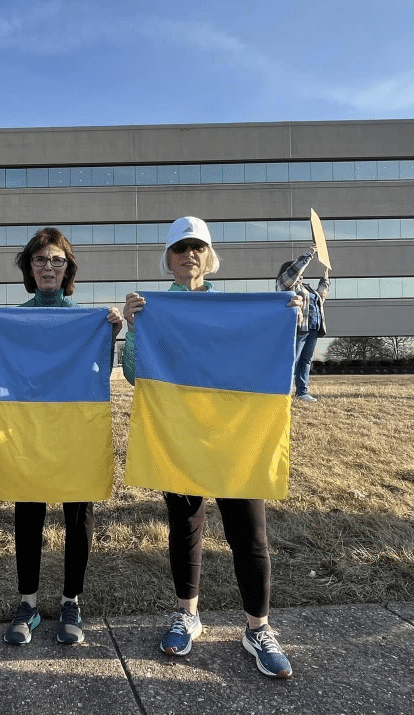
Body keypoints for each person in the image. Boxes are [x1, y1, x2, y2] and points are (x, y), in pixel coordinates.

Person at [122, 216, 299, 679]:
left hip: (235, 437)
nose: (189, 255)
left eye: (197, 247)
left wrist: (288, 318)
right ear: (169, 258)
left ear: (209, 256)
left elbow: (273, 360)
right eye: (180, 248)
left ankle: (258, 628)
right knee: (185, 526)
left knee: (250, 532)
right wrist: (134, 327)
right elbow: (134, 375)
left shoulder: (236, 309)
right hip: (179, 435)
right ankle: (188, 614)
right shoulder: (152, 308)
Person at [0, 227, 123, 647]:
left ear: (68, 268)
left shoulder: (87, 320)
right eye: (40, 259)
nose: (48, 266)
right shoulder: (12, 320)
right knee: (28, 512)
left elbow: (99, 375)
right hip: (30, 431)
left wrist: (111, 330)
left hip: (74, 430)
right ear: (28, 268)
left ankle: (72, 602)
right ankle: (28, 605)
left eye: (56, 260)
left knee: (77, 516)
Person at [276, 247, 330, 402]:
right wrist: (309, 255)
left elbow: (320, 297)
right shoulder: (286, 285)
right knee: (292, 359)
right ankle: (283, 391)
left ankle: (302, 392)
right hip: (298, 328)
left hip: (313, 327)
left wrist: (325, 280)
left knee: (305, 360)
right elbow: (293, 273)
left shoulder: (306, 287)